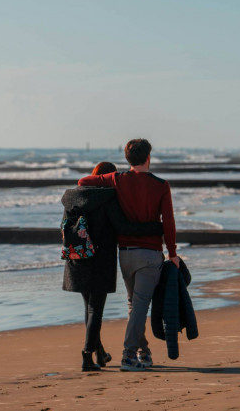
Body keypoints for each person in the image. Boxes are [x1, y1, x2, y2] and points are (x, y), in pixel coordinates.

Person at [78, 139, 178, 371]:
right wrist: (172, 253)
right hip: (150, 253)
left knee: (135, 306)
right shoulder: (161, 185)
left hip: (125, 254)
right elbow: (169, 222)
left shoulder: (117, 179)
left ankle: (144, 352)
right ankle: (129, 355)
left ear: (127, 159)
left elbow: (83, 181)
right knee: (140, 306)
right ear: (148, 158)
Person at [62, 162, 163, 371]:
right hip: (99, 260)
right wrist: (156, 227)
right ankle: (87, 356)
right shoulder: (107, 197)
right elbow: (123, 227)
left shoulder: (71, 198)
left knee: (89, 308)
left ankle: (99, 353)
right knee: (95, 309)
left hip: (77, 257)